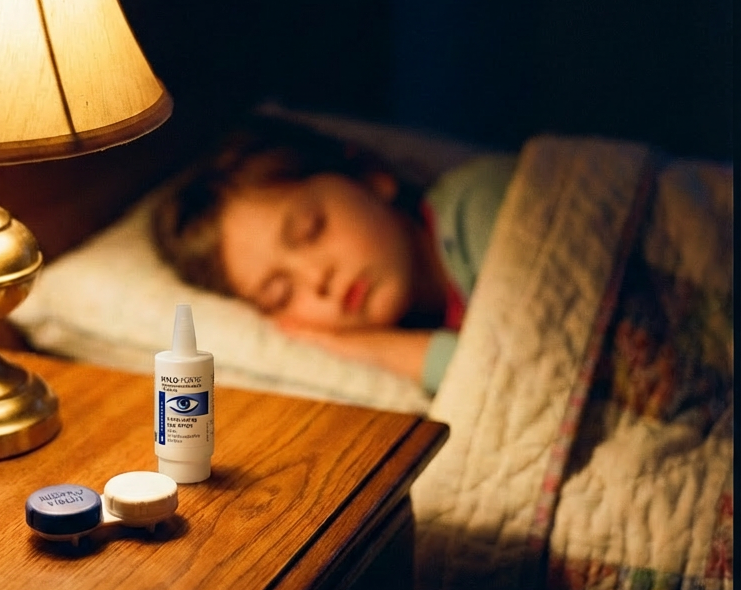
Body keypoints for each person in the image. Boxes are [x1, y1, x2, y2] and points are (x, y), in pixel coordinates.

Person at [152, 115, 516, 393]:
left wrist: (385, 350)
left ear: (369, 176)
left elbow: (520, 377)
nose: (317, 279)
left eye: (311, 230)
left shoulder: (487, 206)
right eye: (281, 293)